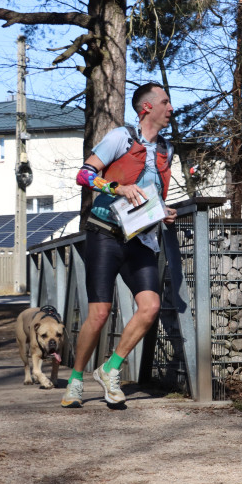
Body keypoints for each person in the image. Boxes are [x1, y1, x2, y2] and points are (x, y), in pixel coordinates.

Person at [61, 82, 179, 409]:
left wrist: (164, 213)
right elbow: (84, 176)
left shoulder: (167, 150)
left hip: (141, 238)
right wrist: (117, 187)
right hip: (105, 233)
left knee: (150, 307)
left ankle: (110, 368)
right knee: (99, 314)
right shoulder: (120, 137)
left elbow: (152, 196)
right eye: (165, 102)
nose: (171, 108)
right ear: (146, 108)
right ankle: (75, 381)